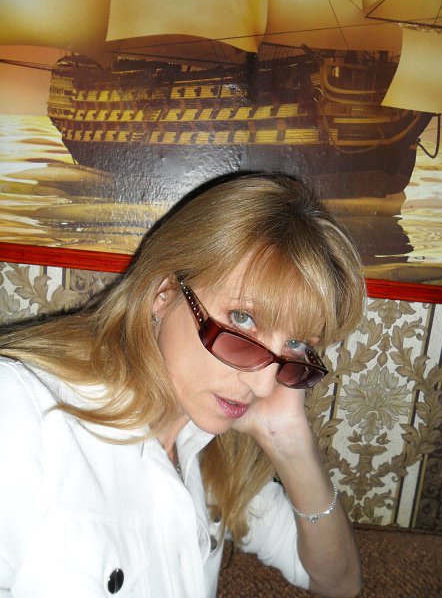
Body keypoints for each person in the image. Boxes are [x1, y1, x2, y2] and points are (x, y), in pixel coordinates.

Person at [0, 174, 364, 598]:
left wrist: (288, 439)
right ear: (164, 292)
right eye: (243, 319)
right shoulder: (24, 415)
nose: (264, 384)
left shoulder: (213, 457)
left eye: (296, 345)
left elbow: (337, 582)